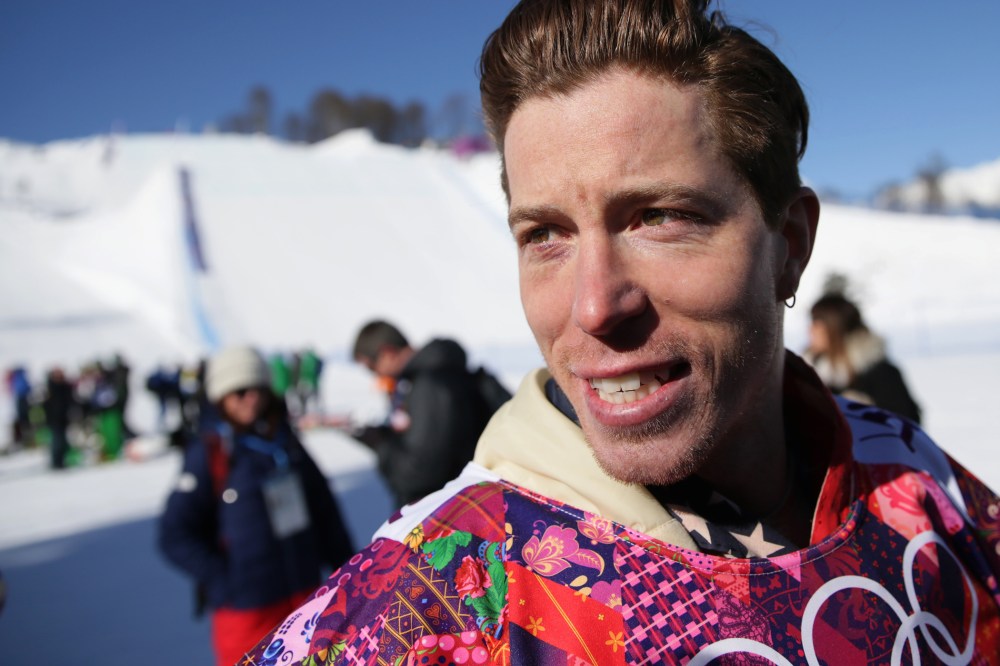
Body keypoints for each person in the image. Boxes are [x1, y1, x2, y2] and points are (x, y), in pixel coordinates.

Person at [243, 2, 1000, 664]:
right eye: (545, 234)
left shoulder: (914, 482)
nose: (594, 306)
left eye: (660, 217)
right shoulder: (436, 603)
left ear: (789, 245)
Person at [158, 345, 354, 666]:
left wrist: (346, 571)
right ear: (220, 397)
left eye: (257, 389)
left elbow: (324, 510)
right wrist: (226, 582)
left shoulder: (284, 443)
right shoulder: (210, 454)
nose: (251, 398)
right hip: (248, 612)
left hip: (307, 600)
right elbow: (174, 534)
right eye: (239, 391)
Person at [349, 320, 500, 509]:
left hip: (446, 514)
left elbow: (420, 474)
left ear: (387, 353)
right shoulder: (419, 380)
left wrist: (380, 443)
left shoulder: (429, 386)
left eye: (371, 367)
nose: (374, 375)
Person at [805, 292, 922, 423]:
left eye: (816, 323)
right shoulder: (807, 374)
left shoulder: (882, 375)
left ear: (834, 327)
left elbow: (907, 429)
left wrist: (859, 414)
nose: (810, 330)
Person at [42, 367, 76, 469]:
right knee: (56, 441)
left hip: (64, 419)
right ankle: (56, 462)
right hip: (54, 420)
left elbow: (71, 401)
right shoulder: (49, 388)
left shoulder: (66, 387)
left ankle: (61, 461)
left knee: (63, 441)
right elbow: (45, 406)